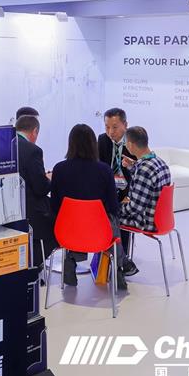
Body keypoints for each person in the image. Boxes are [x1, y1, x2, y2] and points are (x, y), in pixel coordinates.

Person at [50, 124, 126, 289]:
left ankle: (71, 258)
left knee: (75, 222)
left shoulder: (59, 169)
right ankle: (119, 266)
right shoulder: (104, 170)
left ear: (70, 144)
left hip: (66, 233)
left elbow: (55, 205)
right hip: (99, 233)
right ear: (93, 144)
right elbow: (113, 206)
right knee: (113, 219)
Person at [118, 126, 172, 277]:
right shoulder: (160, 162)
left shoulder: (144, 170)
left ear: (130, 144)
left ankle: (120, 264)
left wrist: (115, 208)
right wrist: (133, 166)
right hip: (164, 220)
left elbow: (134, 208)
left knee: (109, 218)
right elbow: (146, 179)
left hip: (146, 221)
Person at [14, 115, 54, 268]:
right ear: (35, 131)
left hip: (8, 214)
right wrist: (49, 179)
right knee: (57, 226)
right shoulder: (33, 150)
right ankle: (34, 267)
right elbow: (40, 188)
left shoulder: (3, 145)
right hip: (31, 213)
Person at [98, 108, 137, 181]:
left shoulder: (134, 139)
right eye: (107, 127)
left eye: (115, 127)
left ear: (125, 125)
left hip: (129, 184)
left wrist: (133, 165)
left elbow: (142, 165)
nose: (111, 132)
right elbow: (99, 164)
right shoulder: (102, 139)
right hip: (108, 183)